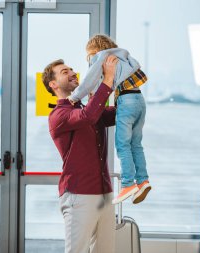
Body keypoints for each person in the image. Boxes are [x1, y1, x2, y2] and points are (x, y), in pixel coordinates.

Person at [43, 56, 118, 253]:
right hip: (79, 195)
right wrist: (107, 80)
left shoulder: (86, 108)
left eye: (72, 70)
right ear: (53, 85)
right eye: (64, 72)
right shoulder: (58, 116)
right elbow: (88, 117)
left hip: (105, 193)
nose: (72, 73)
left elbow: (116, 114)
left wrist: (125, 85)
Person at [69, 34, 151, 205]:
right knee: (136, 144)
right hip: (139, 101)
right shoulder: (123, 55)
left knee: (122, 145)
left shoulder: (101, 57)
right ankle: (143, 181)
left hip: (126, 101)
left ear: (94, 50)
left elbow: (88, 81)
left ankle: (128, 185)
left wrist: (74, 97)